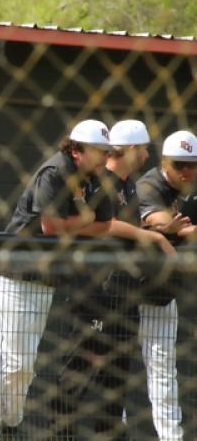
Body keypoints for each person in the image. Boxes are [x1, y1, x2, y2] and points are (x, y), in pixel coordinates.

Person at [0, 119, 175, 441]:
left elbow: (105, 224)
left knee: (20, 367)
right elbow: (50, 227)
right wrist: (83, 219)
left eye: (107, 151)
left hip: (45, 279)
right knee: (15, 363)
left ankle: (2, 427)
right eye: (99, 151)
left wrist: (82, 220)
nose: (104, 157)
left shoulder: (97, 179)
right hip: (13, 273)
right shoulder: (55, 171)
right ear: (76, 150)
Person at [100, 120, 176, 437]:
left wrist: (164, 232)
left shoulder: (129, 184)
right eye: (144, 149)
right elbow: (105, 224)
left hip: (127, 290)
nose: (147, 155)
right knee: (81, 371)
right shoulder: (102, 182)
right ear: (132, 149)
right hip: (100, 289)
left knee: (118, 374)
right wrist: (157, 238)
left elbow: (135, 228)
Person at [135, 129, 197, 440]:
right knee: (107, 370)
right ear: (164, 163)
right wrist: (174, 230)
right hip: (123, 291)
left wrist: (179, 231)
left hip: (161, 294)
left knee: (163, 371)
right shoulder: (149, 183)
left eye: (193, 164)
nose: (187, 171)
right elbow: (160, 221)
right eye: (179, 164)